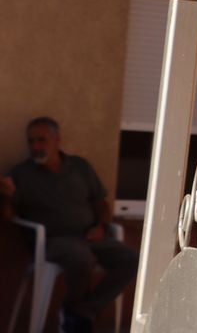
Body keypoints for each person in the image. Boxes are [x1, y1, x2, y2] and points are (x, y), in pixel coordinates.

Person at [1, 117, 138, 333]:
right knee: (81, 257)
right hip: (52, 241)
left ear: (57, 140)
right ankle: (78, 319)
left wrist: (102, 225)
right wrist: (7, 197)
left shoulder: (79, 167)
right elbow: (10, 216)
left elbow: (100, 202)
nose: (35, 146)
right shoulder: (21, 174)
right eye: (31, 142)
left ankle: (81, 311)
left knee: (131, 259)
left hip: (90, 236)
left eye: (41, 140)